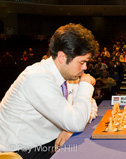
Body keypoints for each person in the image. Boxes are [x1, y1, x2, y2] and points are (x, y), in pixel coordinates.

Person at [0, 23, 99, 159]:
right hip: (19, 152)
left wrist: (69, 127)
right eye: (82, 62)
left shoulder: (68, 74)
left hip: (47, 144)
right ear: (62, 57)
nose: (85, 67)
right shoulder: (37, 77)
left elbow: (90, 105)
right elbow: (77, 121)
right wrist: (86, 85)